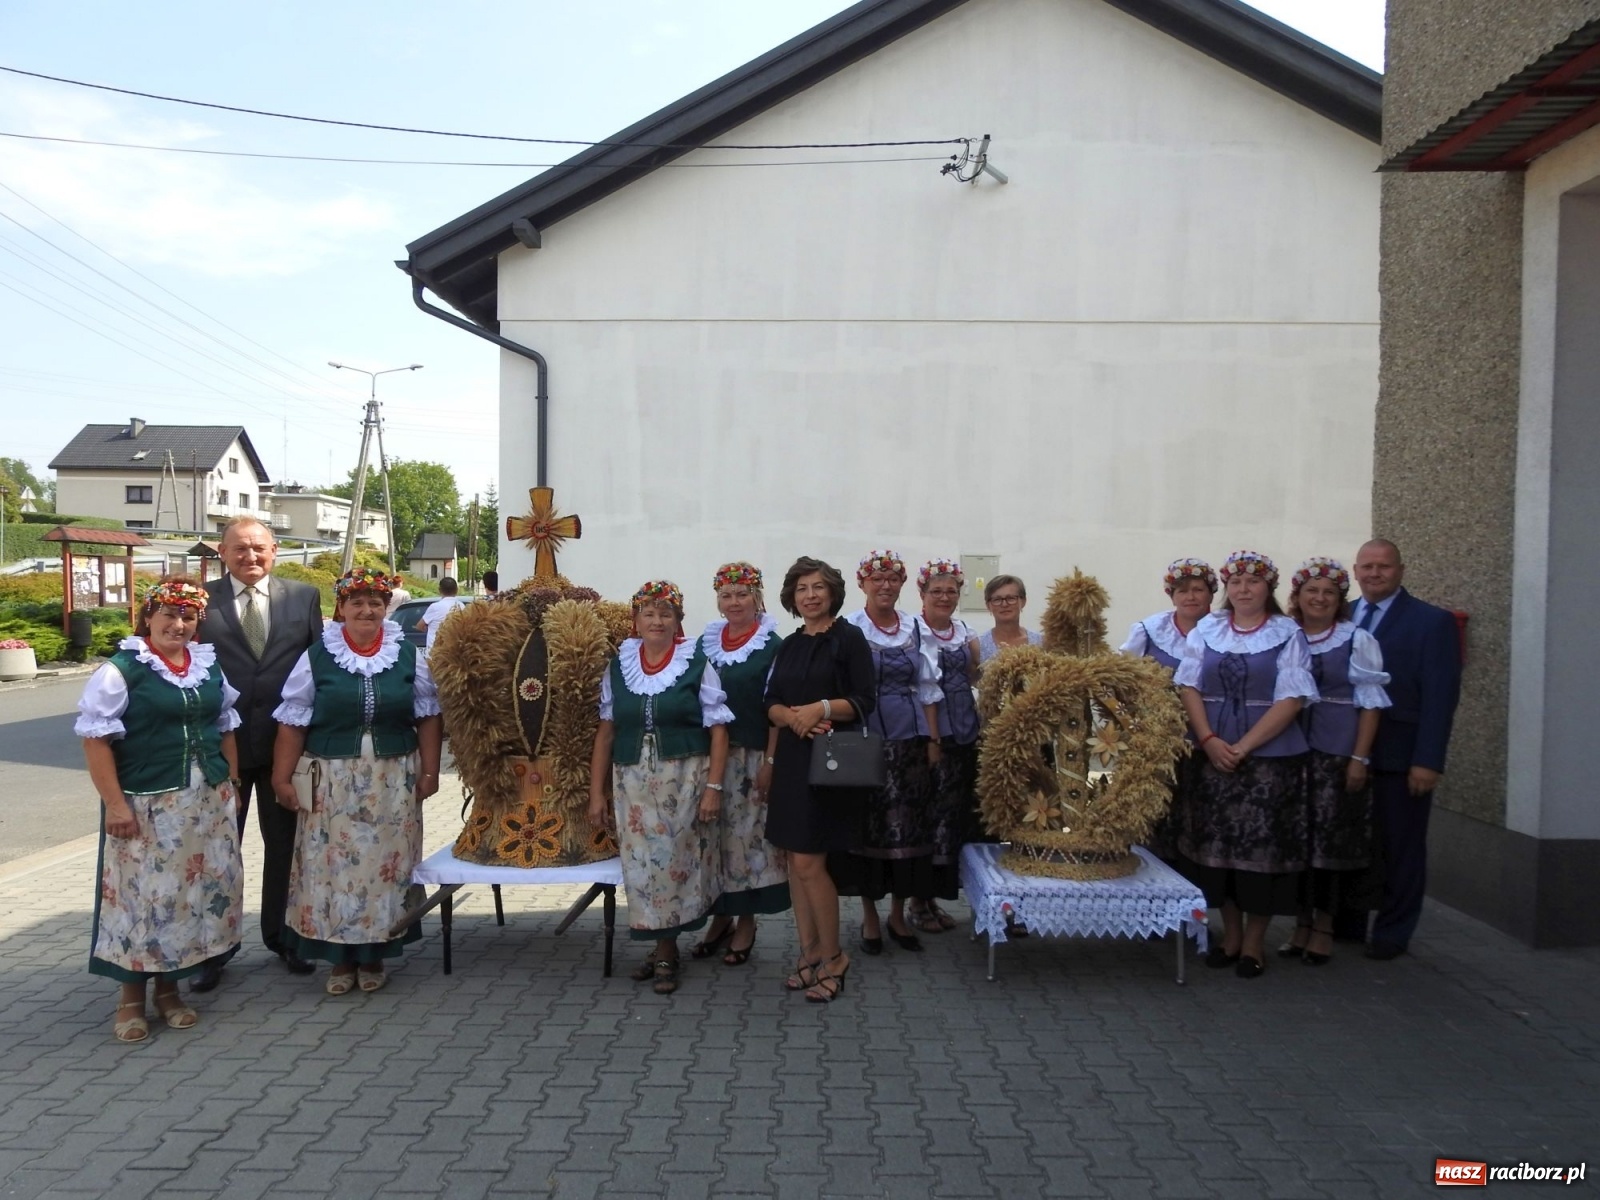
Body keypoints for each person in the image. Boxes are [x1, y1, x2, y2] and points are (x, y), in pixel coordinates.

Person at [76, 577, 244, 1041]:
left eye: (188, 616)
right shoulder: (122, 670)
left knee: (184, 897)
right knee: (140, 897)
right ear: (148, 617)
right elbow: (95, 741)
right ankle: (130, 1000)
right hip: (146, 803)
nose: (178, 624)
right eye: (168, 614)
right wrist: (115, 805)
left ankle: (170, 991)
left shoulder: (207, 667)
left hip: (203, 803)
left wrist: (230, 779)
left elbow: (225, 725)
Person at [270, 567, 444, 994]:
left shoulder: (407, 655)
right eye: (357, 603)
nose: (367, 610)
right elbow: (292, 721)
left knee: (386, 867)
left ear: (387, 609)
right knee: (329, 868)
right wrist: (282, 779)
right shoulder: (318, 656)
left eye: (376, 604)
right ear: (342, 608)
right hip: (329, 777)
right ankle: (339, 959)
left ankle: (375, 956)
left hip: (391, 777)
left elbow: (428, 716)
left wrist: (430, 771)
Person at [192, 515, 323, 991]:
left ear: (275, 551)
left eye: (259, 549)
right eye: (239, 549)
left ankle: (284, 937)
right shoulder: (200, 601)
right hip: (217, 749)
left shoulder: (303, 598)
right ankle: (212, 949)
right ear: (222, 553)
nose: (250, 557)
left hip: (283, 748)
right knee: (216, 851)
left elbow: (316, 669)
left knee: (286, 845)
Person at [1174, 550, 1318, 979]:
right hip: (1212, 753)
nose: (1243, 589)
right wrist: (1209, 740)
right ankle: (1230, 934)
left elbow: (1291, 698)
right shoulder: (1210, 628)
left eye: (1253, 582)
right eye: (1236, 582)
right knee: (1218, 850)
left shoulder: (1287, 632)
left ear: (1268, 588)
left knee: (1261, 851)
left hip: (1268, 759)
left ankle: (1255, 942)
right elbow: (1188, 686)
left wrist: (1246, 746)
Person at [587, 581, 732, 996]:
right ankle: (659, 945)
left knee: (671, 864)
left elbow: (719, 731)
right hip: (631, 782)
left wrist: (713, 787)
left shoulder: (695, 662)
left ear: (678, 621)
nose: (657, 621)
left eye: (666, 614)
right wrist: (596, 793)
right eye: (648, 614)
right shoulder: (620, 666)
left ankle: (666, 950)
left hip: (682, 780)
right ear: (635, 621)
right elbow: (606, 733)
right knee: (641, 868)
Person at [1338, 538, 1462, 960]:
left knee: (1401, 845)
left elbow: (1440, 696)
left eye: (1384, 566)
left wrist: (1427, 760)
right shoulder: (1343, 616)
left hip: (1401, 755)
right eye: (1367, 566)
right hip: (1347, 752)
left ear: (1401, 570)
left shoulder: (1432, 622)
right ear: (1355, 572)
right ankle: (1348, 922)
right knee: (1354, 842)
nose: (1375, 574)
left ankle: (1394, 931)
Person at [763, 557, 876, 1003]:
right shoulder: (788, 645)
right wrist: (792, 716)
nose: (810, 595)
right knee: (794, 861)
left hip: (829, 761)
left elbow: (866, 698)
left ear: (832, 593)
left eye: (818, 587)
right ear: (792, 597)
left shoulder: (849, 638)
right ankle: (809, 953)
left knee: (811, 862)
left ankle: (834, 958)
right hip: (792, 755)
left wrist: (822, 709)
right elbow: (770, 700)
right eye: (802, 588)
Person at [1278, 558, 1389, 966]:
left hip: (1336, 751)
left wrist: (1359, 757)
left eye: (1328, 593)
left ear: (1339, 600)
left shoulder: (1355, 639)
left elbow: (1371, 703)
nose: (1319, 598)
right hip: (1292, 749)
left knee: (1331, 842)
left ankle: (1325, 926)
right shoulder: (1287, 636)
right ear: (1298, 597)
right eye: (1312, 591)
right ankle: (1300, 923)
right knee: (1297, 842)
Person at [841, 549, 943, 956]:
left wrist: (934, 741)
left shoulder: (917, 629)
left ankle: (898, 914)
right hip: (864, 737)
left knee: (908, 828)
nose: (885, 585)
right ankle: (868, 916)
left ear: (902, 585)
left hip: (909, 741)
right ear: (862, 583)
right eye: (877, 578)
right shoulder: (849, 628)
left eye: (892, 579)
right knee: (867, 827)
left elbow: (928, 688)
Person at [691, 563, 790, 966]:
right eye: (726, 595)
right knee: (713, 841)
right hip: (709, 760)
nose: (734, 602)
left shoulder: (772, 645)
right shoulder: (707, 642)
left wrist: (770, 760)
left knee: (747, 844)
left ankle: (746, 921)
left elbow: (777, 708)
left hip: (750, 758)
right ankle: (720, 919)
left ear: (757, 596)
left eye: (742, 594)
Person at [1119, 558, 1217, 861]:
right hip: (1158, 738)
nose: (1190, 597)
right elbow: (1123, 679)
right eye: (1182, 590)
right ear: (1171, 595)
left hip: (1210, 735)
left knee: (1202, 811)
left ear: (1211, 594)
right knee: (1159, 812)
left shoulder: (1224, 630)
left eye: (1198, 589)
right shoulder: (1150, 630)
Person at [908, 559, 977, 934]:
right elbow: (923, 689)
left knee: (953, 817)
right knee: (930, 816)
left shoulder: (963, 630)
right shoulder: (915, 631)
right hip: (935, 733)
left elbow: (973, 675)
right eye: (937, 590)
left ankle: (939, 894)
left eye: (951, 591)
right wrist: (933, 739)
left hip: (965, 729)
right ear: (922, 594)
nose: (945, 597)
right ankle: (920, 899)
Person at [969, 575, 1042, 672]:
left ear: (1023, 601)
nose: (1004, 604)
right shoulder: (977, 646)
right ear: (988, 605)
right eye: (997, 600)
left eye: (1011, 598)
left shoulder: (1040, 643)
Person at [417, 576, 467, 650]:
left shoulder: (435, 607)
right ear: (456, 590)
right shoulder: (462, 606)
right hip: (454, 653)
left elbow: (419, 626)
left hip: (434, 652)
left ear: (439, 590)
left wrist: (430, 629)